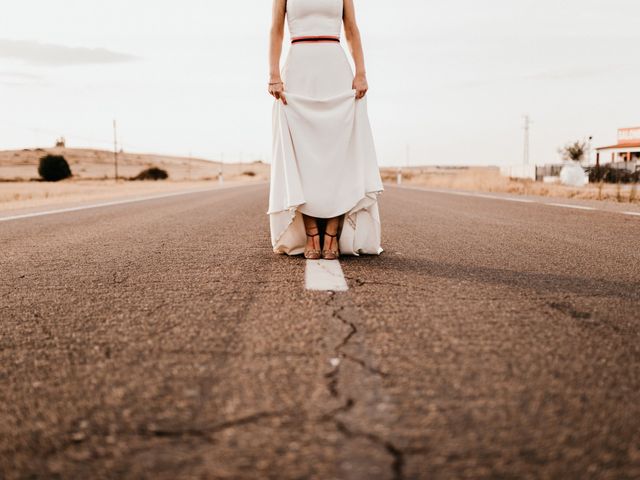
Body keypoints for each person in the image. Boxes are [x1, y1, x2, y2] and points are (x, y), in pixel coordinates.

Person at [267, 0, 383, 259]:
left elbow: (352, 28)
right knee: (304, 155)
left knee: (338, 153)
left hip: (335, 71)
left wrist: (361, 72)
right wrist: (274, 73)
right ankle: (311, 235)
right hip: (298, 73)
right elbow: (276, 29)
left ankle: (332, 233)